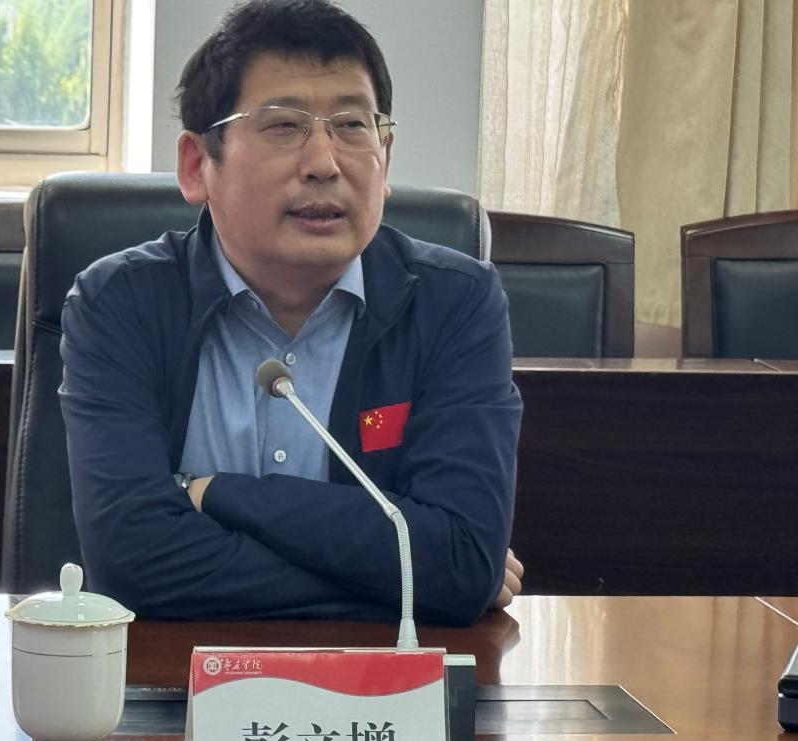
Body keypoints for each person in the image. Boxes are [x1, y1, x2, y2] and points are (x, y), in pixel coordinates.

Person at [59, 0, 523, 626]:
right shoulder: (120, 303)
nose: (325, 163)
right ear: (197, 166)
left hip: (380, 683)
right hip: (168, 678)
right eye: (284, 126)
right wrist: (407, 581)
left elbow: (461, 561)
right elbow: (131, 566)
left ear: (385, 159)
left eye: (352, 126)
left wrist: (213, 494)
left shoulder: (455, 303)